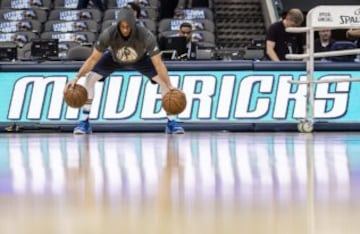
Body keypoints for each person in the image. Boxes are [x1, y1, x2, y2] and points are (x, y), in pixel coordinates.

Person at [65, 7, 185, 134]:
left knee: (163, 82)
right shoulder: (108, 33)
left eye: (128, 27)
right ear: (117, 25)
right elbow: (93, 58)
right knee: (90, 78)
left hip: (140, 59)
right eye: (122, 26)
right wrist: (77, 77)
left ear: (134, 24)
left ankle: (171, 122)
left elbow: (158, 64)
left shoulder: (145, 35)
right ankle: (84, 122)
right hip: (113, 58)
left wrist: (169, 84)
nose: (126, 29)